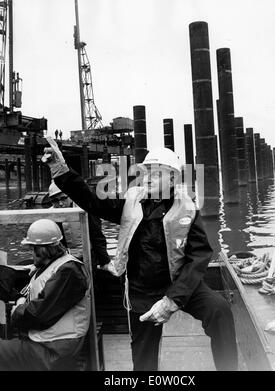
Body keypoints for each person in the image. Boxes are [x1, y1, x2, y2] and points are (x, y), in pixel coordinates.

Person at [44, 144, 238, 371]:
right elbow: (92, 202)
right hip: (142, 289)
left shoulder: (187, 209)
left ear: (173, 179)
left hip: (179, 283)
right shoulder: (131, 203)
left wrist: (172, 300)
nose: (147, 178)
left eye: (156, 174)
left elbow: (199, 256)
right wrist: (60, 169)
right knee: (144, 361)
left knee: (220, 310)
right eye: (145, 173)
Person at [0, 219, 91, 371]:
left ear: (44, 250)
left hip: (53, 351)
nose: (31, 253)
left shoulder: (69, 272)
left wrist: (18, 309)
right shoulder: (56, 265)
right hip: (48, 343)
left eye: (33, 248)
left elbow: (37, 315)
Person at [48, 181, 111, 273]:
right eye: (55, 201)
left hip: (87, 256)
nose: (60, 204)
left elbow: (97, 236)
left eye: (63, 198)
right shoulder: (48, 215)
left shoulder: (86, 208)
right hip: (63, 259)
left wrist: (105, 261)